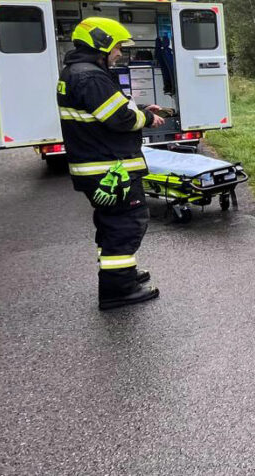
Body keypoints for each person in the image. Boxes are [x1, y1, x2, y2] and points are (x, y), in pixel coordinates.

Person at [58, 16, 166, 310]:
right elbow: (120, 119)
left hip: (100, 167)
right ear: (102, 44)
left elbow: (106, 111)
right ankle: (118, 289)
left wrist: (141, 108)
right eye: (117, 46)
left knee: (112, 225)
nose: (119, 52)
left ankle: (123, 275)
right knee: (125, 225)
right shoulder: (91, 76)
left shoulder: (79, 73)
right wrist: (146, 117)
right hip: (109, 170)